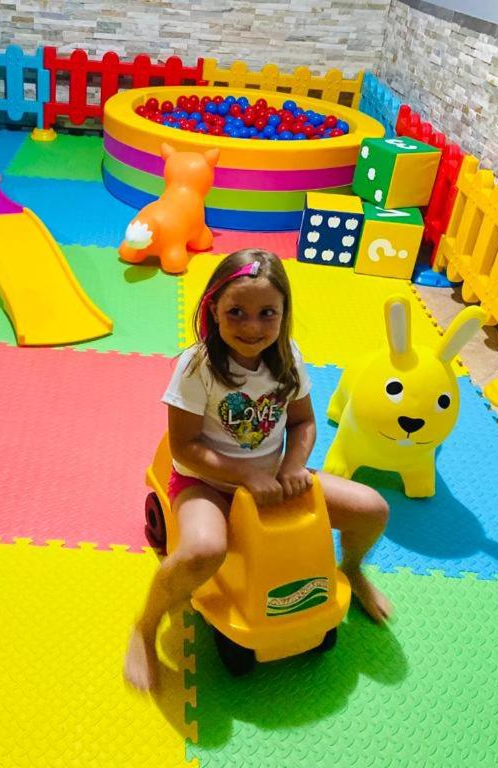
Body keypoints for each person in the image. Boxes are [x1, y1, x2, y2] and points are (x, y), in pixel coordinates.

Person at [124, 248, 392, 692]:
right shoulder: (197, 366)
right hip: (206, 482)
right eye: (237, 312)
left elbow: (303, 422)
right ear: (214, 309)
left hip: (274, 479)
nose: (252, 327)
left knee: (372, 508)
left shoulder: (287, 356)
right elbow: (185, 447)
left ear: (284, 313)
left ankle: (353, 569)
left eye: (267, 313)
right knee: (203, 549)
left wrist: (292, 465)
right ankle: (145, 627)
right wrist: (245, 475)